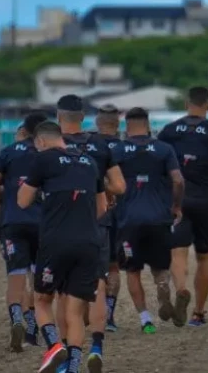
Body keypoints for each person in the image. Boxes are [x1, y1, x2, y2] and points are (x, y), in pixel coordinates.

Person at [16, 121, 107, 373]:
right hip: (89, 241)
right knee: (75, 310)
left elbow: (23, 201)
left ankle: (54, 346)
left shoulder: (43, 160)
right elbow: (102, 208)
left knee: (42, 300)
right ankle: (73, 366)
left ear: (41, 141)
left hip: (56, 240)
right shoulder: (90, 162)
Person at [56, 95, 126, 373]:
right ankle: (96, 347)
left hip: (61, 225)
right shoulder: (99, 144)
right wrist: (102, 191)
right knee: (97, 285)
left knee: (63, 291)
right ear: (83, 117)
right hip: (97, 222)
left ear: (59, 116)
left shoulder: (52, 145)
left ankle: (65, 355)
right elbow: (120, 186)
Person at [157, 87, 208, 327]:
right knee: (204, 257)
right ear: (207, 105)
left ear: (187, 103)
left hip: (178, 199)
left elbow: (158, 159)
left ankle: (181, 289)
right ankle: (198, 313)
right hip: (207, 200)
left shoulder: (169, 130)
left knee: (178, 252)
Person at [112, 108, 184, 335]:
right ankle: (163, 288)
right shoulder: (164, 149)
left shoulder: (118, 150)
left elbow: (106, 181)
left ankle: (146, 321)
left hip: (128, 220)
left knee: (132, 271)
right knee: (160, 267)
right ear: (148, 124)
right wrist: (176, 205)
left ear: (126, 126)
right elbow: (178, 180)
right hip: (159, 217)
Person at [0, 111, 48, 352]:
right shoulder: (49, 154)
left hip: (13, 221)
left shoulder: (8, 152)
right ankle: (32, 330)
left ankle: (16, 319)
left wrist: (8, 195)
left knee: (15, 276)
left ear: (24, 130)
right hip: (42, 222)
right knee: (36, 278)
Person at [94, 104, 123, 332]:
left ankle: (88, 314)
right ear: (118, 123)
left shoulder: (87, 145)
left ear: (96, 122)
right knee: (113, 267)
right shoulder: (125, 148)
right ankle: (109, 317)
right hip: (119, 215)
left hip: (90, 212)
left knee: (87, 265)